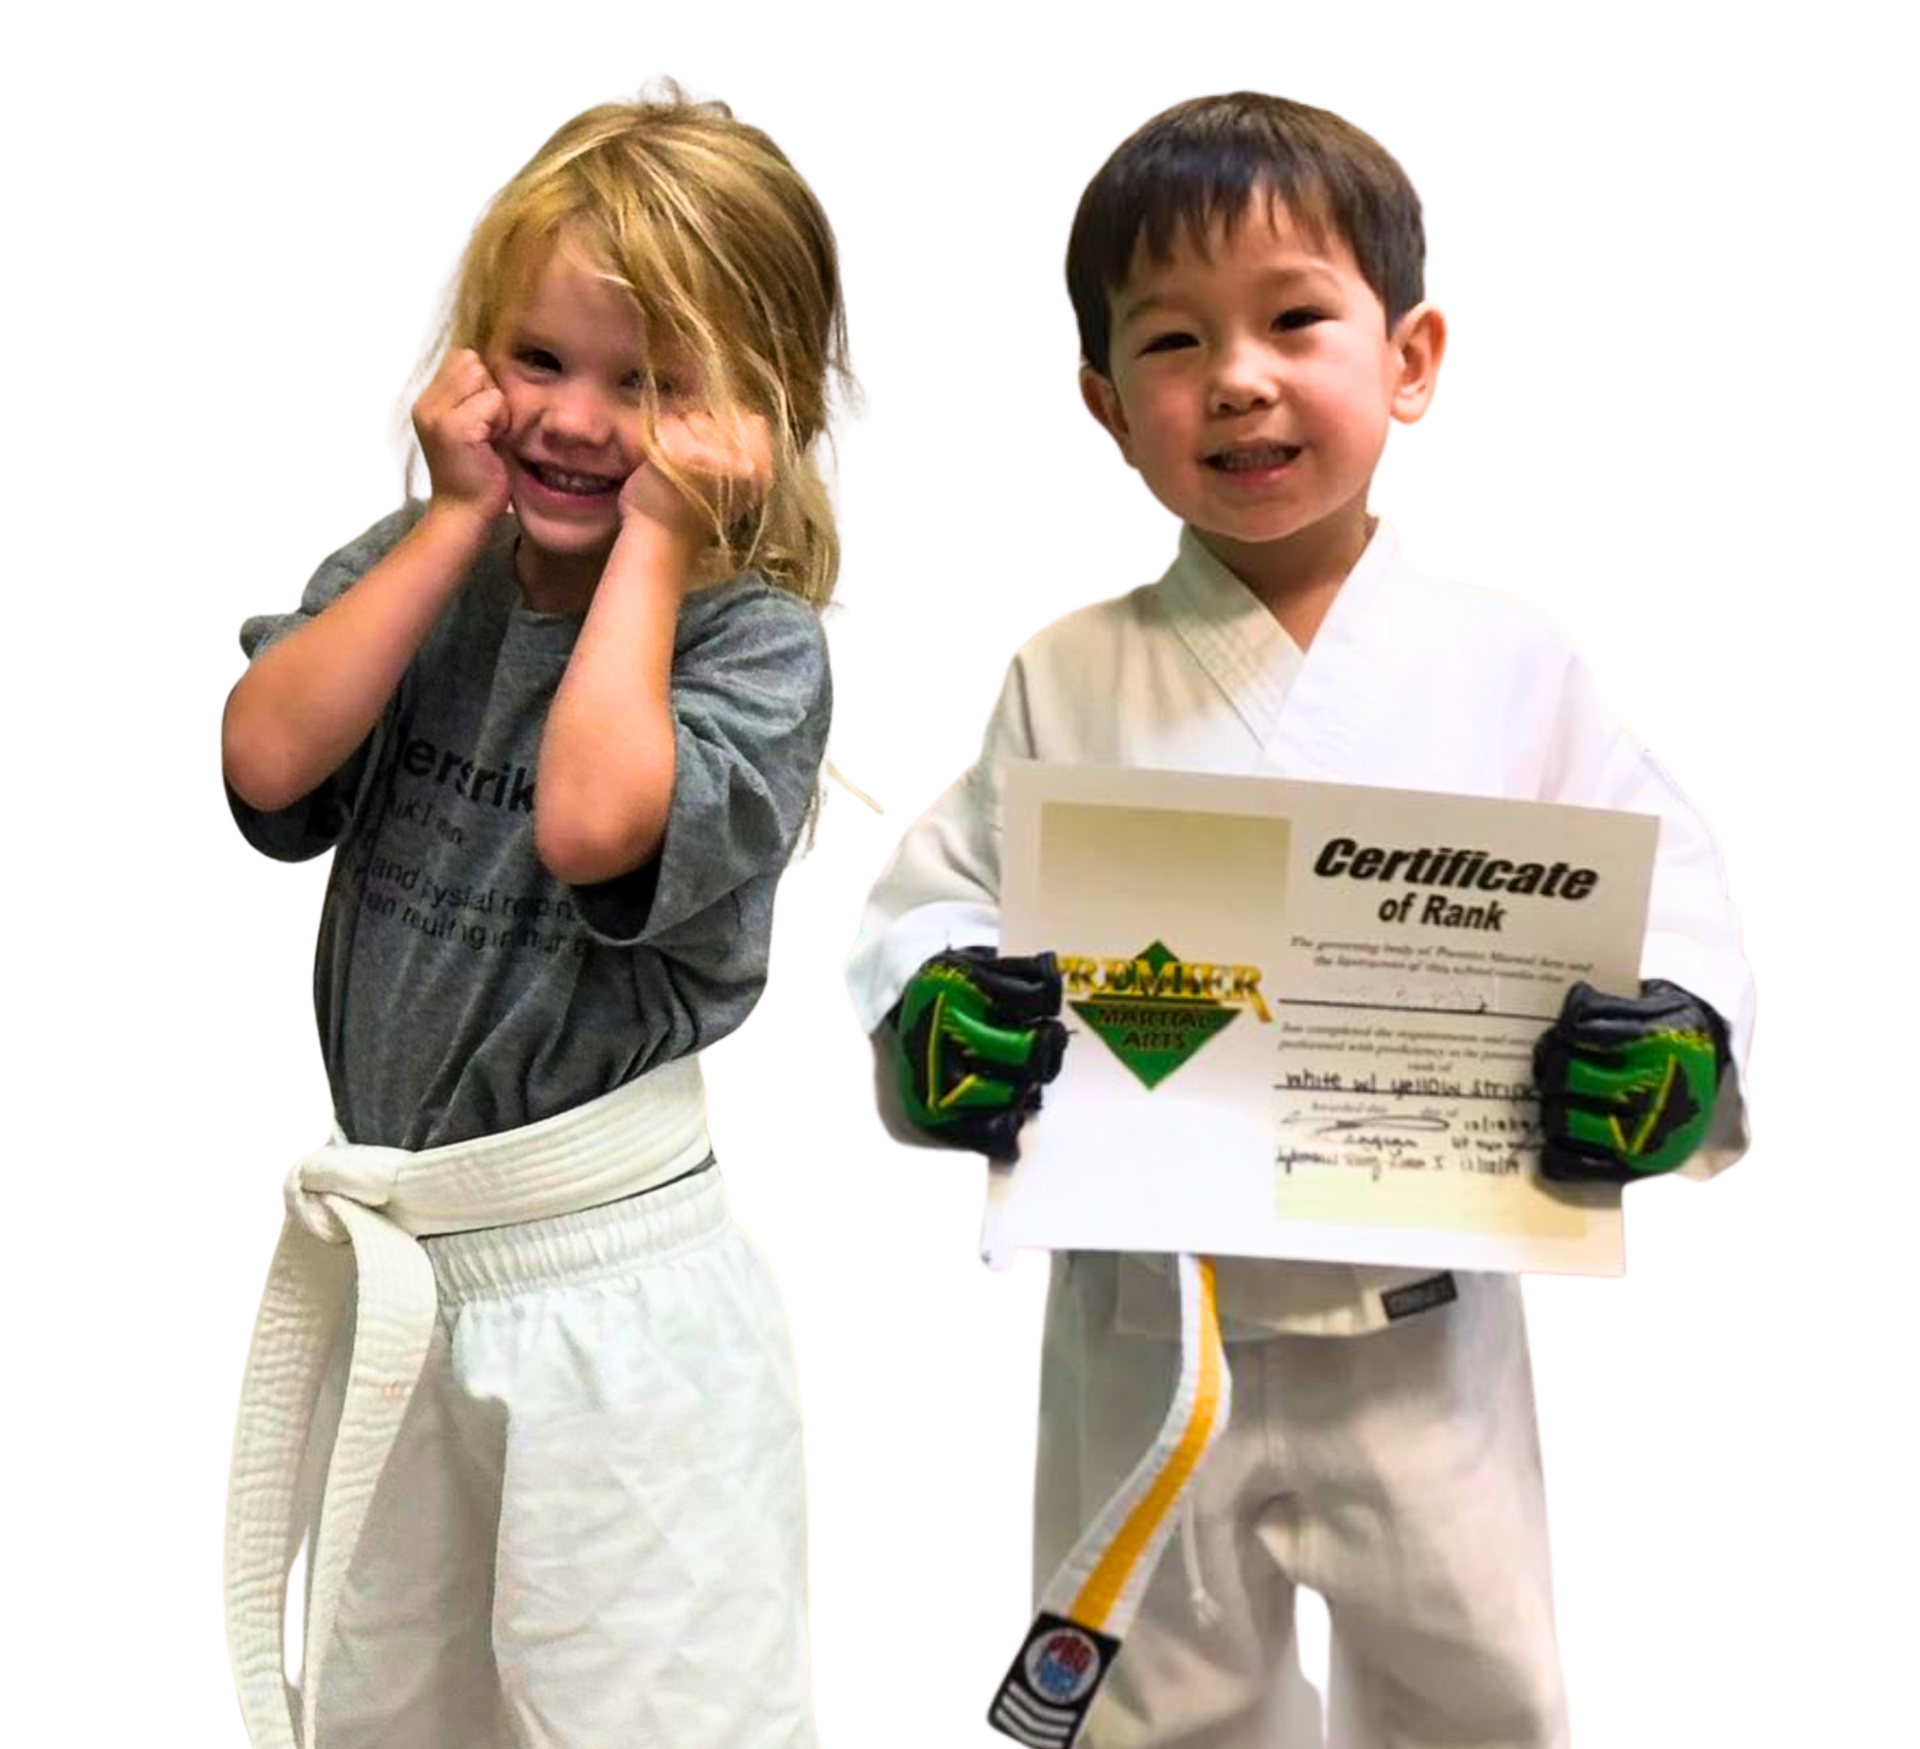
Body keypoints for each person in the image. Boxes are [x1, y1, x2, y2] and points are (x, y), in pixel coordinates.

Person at [841, 89, 1757, 1749]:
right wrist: (941, 1014)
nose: (1240, 379)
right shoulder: (1063, 671)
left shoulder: (1512, 660)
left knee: (1479, 1695)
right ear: (1105, 407)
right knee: (1143, 1714)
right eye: (1176, 342)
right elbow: (930, 896)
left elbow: (1673, 882)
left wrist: (1679, 1034)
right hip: (1149, 1323)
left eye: (1294, 320)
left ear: (1413, 359)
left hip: (1430, 1321)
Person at [218, 86, 870, 1748]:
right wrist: (443, 519)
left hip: (614, 1296)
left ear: (758, 410)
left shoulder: (755, 645)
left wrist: (656, 540)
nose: (579, 421)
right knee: (388, 1711)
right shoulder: (420, 569)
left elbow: (594, 825)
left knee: (644, 1715)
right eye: (542, 360)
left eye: (650, 385)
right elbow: (264, 751)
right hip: (404, 1265)